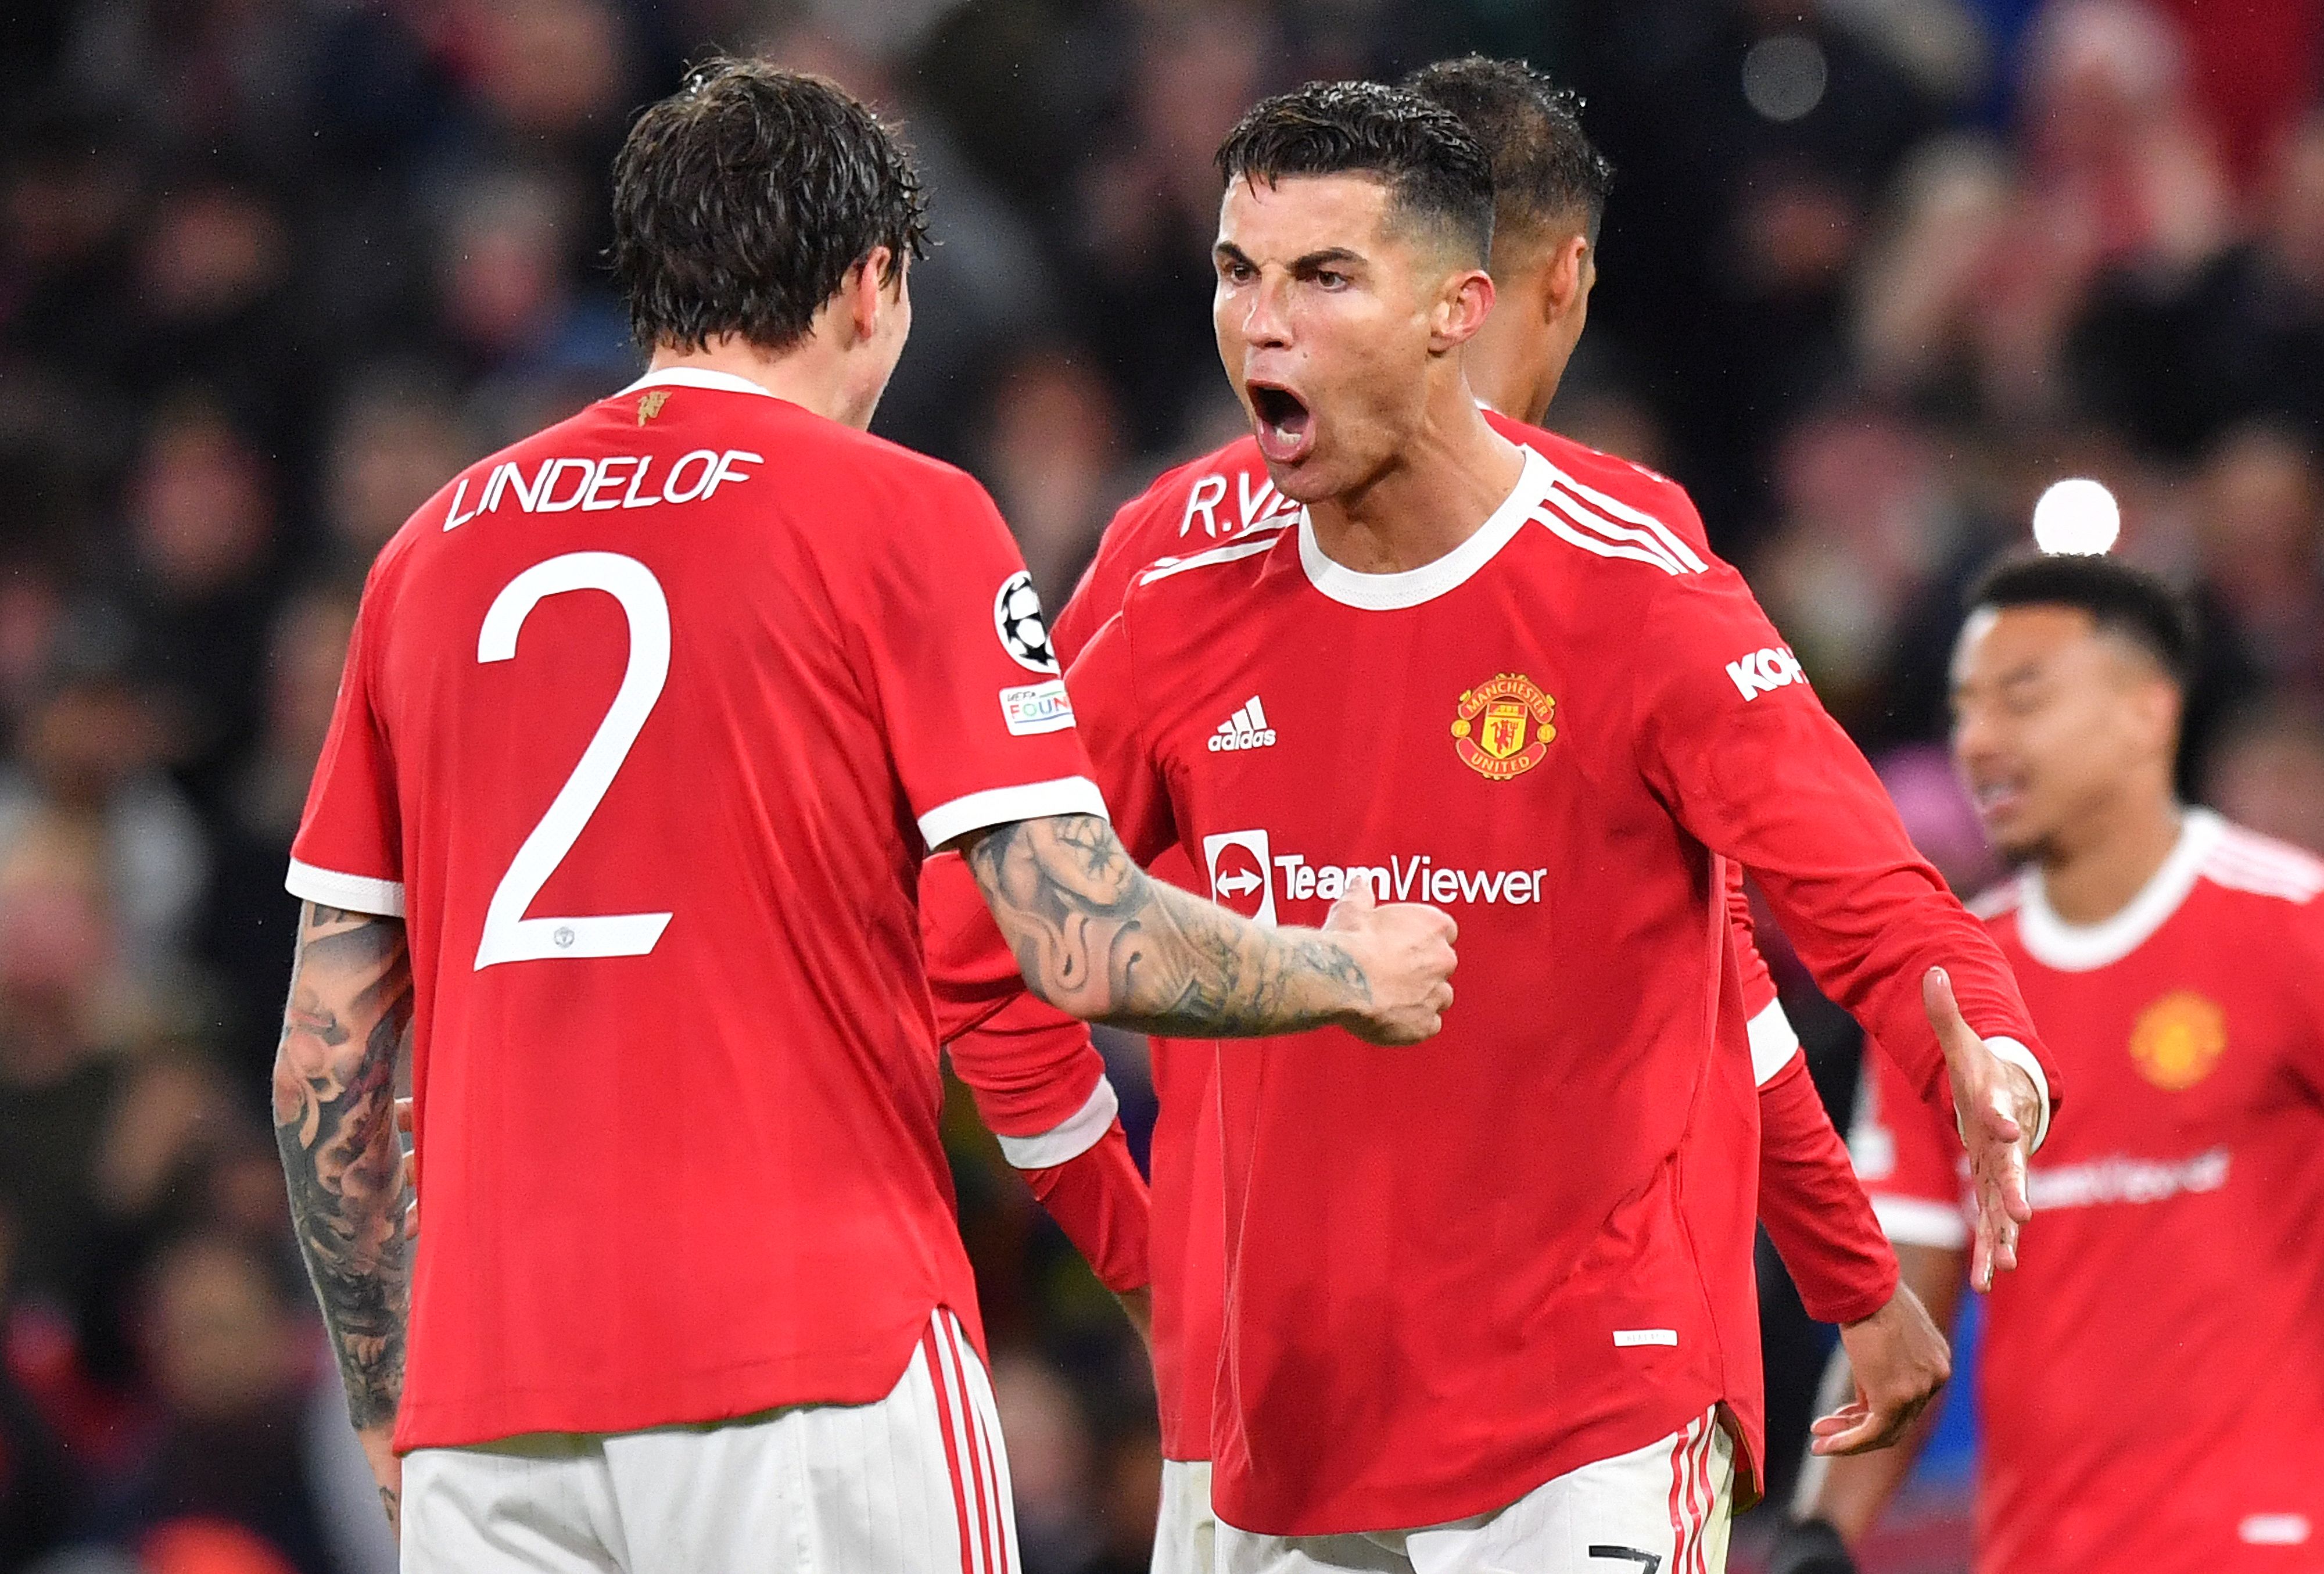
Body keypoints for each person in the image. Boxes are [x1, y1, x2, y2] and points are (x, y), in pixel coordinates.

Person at [270, 61, 1457, 1574]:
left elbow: (327, 1057)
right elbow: (1081, 939)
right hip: (806, 1356)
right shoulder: (899, 513)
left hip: (488, 1396)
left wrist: (391, 1394)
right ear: (872, 282)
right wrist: (1346, 966)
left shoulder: (423, 559)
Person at [925, 80, 2056, 1573]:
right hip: (1272, 1420)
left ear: (1460, 311)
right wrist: (1151, 1269)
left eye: (1324, 278)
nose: (1262, 326)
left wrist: (1978, 1036)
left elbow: (1845, 886)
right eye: (1234, 273)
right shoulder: (1170, 577)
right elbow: (981, 944)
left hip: (1582, 1413)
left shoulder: (1629, 580)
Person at [1780, 555, 2324, 1574]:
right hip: (2035, 1552)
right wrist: (1823, 1532)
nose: (1979, 738)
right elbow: (1905, 1306)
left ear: (2146, 713)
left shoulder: (2294, 929)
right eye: (1964, 706)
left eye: (2022, 697)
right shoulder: (1945, 988)